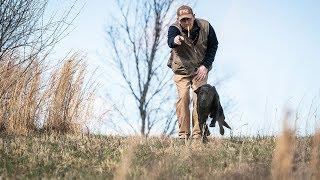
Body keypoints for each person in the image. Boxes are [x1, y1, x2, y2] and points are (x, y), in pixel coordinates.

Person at [167, 5, 219, 140]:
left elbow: (214, 45)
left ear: (194, 16)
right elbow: (170, 41)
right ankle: (183, 135)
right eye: (182, 20)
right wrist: (176, 40)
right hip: (182, 71)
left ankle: (198, 134)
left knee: (199, 100)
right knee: (184, 98)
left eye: (188, 19)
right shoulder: (174, 29)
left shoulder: (206, 26)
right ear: (178, 20)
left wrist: (205, 66)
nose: (186, 22)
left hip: (199, 70)